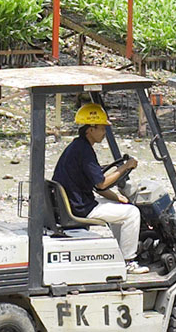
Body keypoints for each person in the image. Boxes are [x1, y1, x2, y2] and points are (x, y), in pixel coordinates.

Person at [51, 103, 149, 275]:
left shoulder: (78, 147)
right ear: (90, 129)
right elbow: (102, 184)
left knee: (122, 210)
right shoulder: (84, 152)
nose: (104, 132)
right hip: (81, 208)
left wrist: (118, 199)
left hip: (76, 202)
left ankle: (119, 254)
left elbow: (96, 184)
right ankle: (128, 261)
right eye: (102, 128)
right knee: (132, 213)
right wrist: (125, 167)